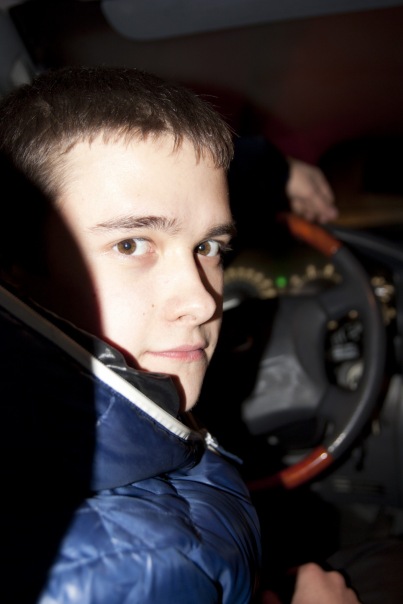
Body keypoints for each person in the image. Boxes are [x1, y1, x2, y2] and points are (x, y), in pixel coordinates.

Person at [0, 65, 358, 603]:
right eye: (131, 245)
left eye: (209, 248)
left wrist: (276, 167)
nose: (203, 301)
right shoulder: (122, 570)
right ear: (14, 265)